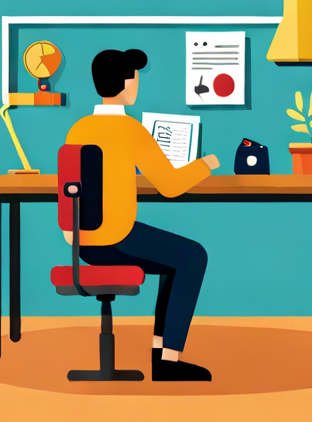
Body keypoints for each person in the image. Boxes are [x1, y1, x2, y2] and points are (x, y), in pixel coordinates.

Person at [64, 49, 220, 381]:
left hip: (86, 245)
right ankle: (169, 361)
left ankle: (162, 352)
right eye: (134, 77)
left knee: (174, 261)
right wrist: (207, 164)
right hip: (118, 238)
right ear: (125, 83)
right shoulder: (130, 129)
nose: (136, 83)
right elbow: (171, 185)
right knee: (193, 256)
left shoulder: (79, 129)